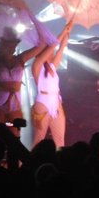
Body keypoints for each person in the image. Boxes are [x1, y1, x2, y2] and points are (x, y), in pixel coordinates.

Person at [0, 27, 47, 138]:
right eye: (9, 46)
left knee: (15, 132)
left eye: (13, 46)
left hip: (15, 102)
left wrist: (35, 24)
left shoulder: (21, 58)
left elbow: (42, 45)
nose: (12, 49)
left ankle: (12, 152)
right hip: (0, 102)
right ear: (3, 46)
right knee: (0, 132)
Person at [30, 20, 72, 149]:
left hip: (56, 103)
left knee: (59, 141)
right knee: (39, 140)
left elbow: (62, 47)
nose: (53, 53)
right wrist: (62, 33)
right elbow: (55, 46)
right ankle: (31, 165)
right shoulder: (37, 66)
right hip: (42, 103)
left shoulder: (52, 67)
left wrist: (68, 30)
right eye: (50, 50)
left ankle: (60, 165)